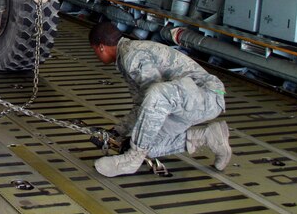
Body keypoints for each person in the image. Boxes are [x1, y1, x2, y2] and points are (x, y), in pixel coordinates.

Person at [88, 21, 231, 177]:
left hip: (208, 95)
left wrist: (136, 143)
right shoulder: (126, 57)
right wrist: (117, 132)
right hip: (187, 101)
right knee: (148, 146)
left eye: (94, 50)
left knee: (153, 103)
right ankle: (207, 136)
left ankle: (132, 159)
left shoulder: (132, 56)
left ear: (101, 47)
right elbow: (143, 105)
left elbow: (157, 98)